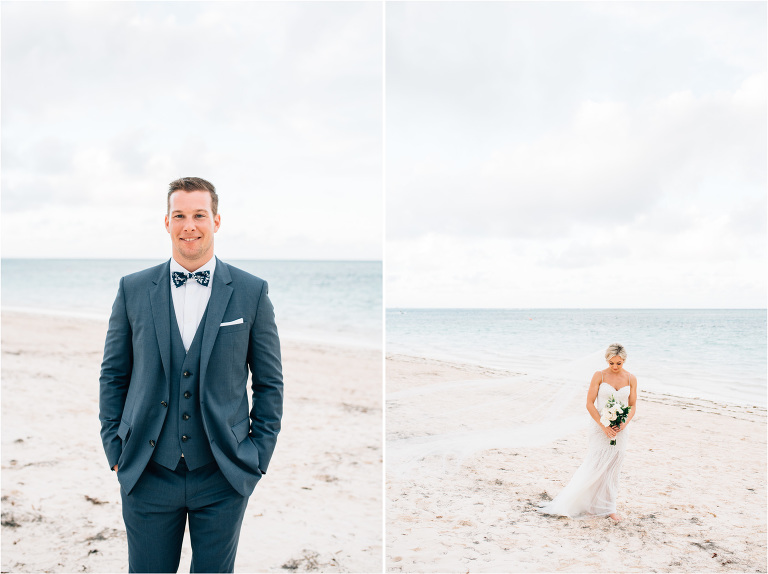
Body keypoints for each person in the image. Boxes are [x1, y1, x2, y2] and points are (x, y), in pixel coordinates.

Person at [99, 177, 283, 572]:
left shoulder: (251, 292)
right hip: (146, 472)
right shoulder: (132, 289)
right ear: (166, 222)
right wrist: (114, 446)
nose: (190, 225)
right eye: (179, 215)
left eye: (199, 215)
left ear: (216, 220)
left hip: (223, 475)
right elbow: (114, 374)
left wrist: (257, 455)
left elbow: (269, 383)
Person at [538, 343, 637, 521]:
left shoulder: (631, 379)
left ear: (624, 361)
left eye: (619, 363)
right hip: (599, 426)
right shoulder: (598, 375)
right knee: (596, 464)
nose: (615, 367)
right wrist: (604, 426)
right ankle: (591, 506)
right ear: (607, 360)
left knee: (614, 467)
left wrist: (622, 424)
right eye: (611, 363)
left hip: (621, 429)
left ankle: (609, 508)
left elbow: (632, 405)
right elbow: (590, 403)